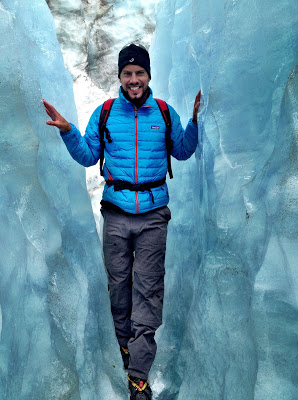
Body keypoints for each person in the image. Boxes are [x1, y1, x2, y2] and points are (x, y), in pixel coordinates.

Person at [44, 43, 201, 400]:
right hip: (115, 214)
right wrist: (68, 130)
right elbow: (88, 156)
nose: (134, 80)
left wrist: (194, 121)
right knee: (119, 290)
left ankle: (139, 377)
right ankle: (125, 348)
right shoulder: (105, 113)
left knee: (148, 290)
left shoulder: (163, 113)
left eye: (140, 74)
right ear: (120, 77)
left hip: (153, 215)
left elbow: (182, 150)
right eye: (128, 74)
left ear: (148, 77)